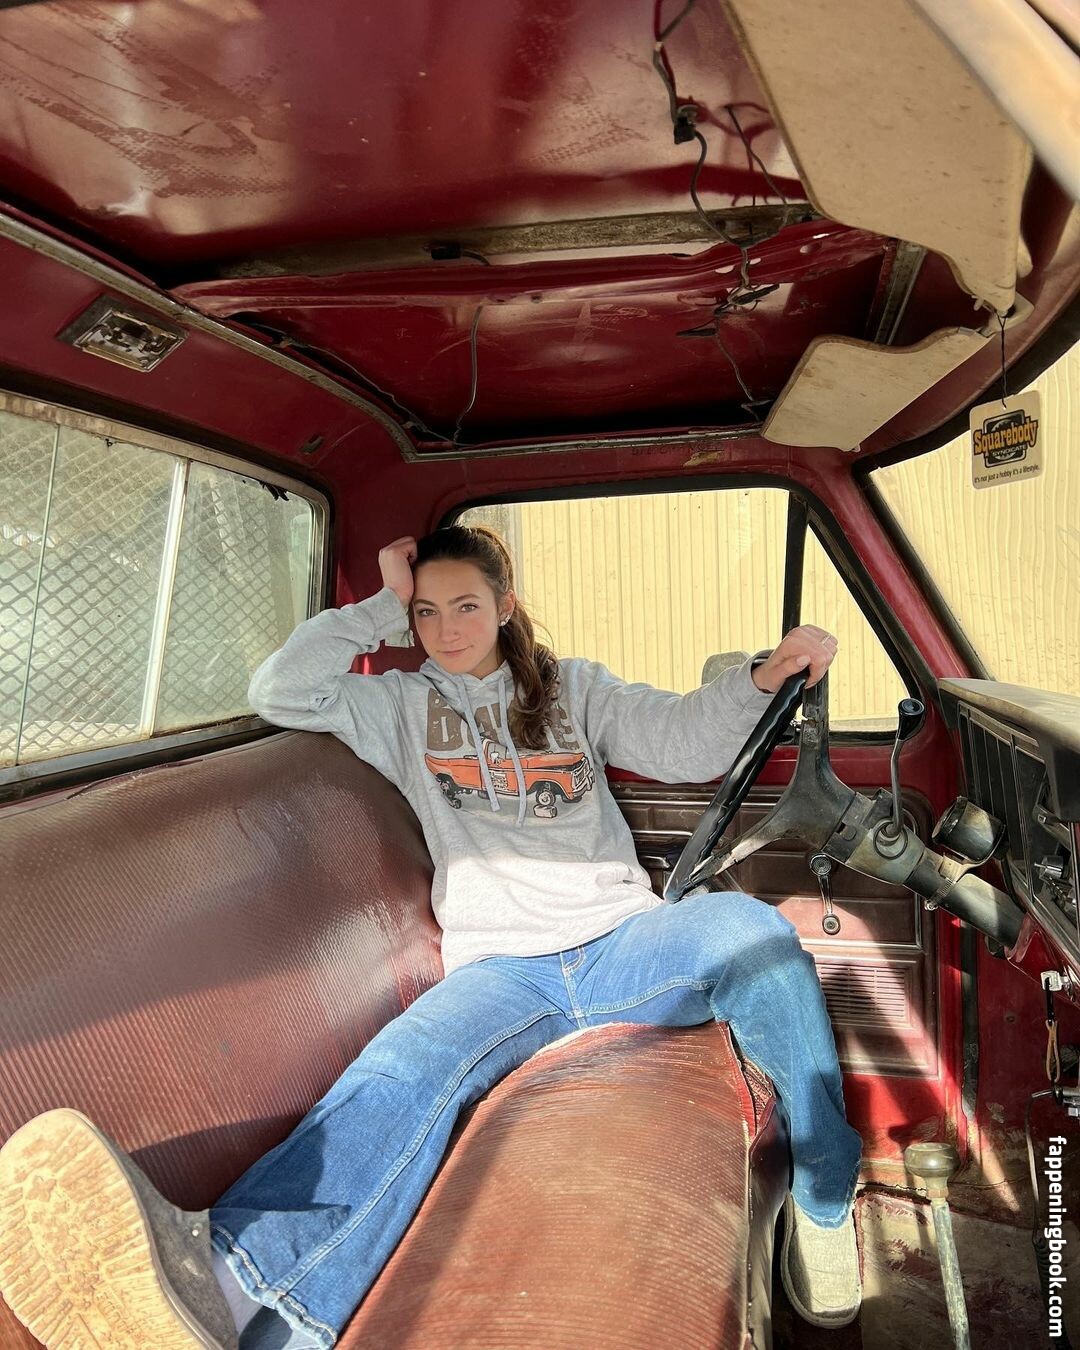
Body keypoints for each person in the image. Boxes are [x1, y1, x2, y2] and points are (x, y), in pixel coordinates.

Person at [0, 525, 863, 1349]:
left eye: (466, 606)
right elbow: (280, 690)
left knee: (757, 939)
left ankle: (824, 1205)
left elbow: (685, 743)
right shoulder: (399, 705)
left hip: (620, 942)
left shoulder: (574, 689)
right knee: (397, 1075)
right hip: (499, 969)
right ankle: (224, 1291)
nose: (446, 630)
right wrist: (379, 607)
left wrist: (763, 678)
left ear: (505, 606)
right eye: (427, 612)